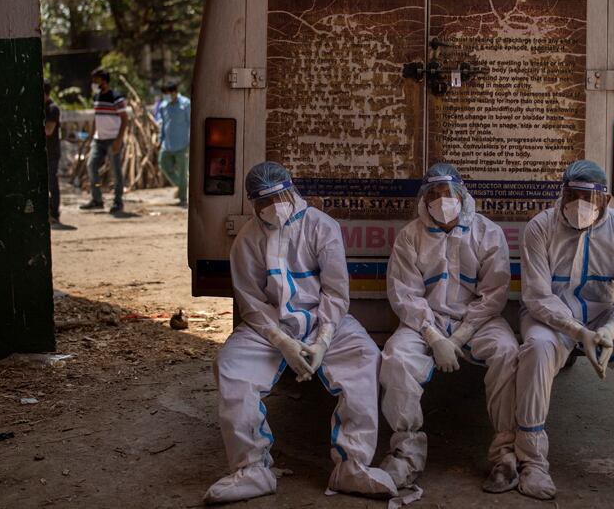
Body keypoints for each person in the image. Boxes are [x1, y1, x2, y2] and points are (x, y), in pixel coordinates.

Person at [206, 162, 397, 504]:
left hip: (323, 322)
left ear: (292, 191)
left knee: (364, 357)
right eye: (266, 201)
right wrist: (282, 342)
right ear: (254, 204)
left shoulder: (322, 227)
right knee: (232, 366)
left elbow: (336, 293)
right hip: (268, 330)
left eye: (280, 196)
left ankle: (352, 466)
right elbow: (250, 303)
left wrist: (323, 340)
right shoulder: (247, 240)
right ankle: (252, 469)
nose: (275, 205)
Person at [515, 161, 614, 500]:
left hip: (607, 317)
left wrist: (611, 328)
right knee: (537, 348)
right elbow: (537, 296)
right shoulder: (539, 228)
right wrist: (578, 332)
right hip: (553, 319)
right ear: (562, 194)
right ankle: (531, 462)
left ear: (608, 200)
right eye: (573, 195)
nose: (580, 205)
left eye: (590, 197)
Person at [380, 163, 518, 493]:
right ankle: (406, 454)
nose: (442, 200)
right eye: (434, 194)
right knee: (396, 358)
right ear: (424, 199)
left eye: (448, 193)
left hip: (478, 321)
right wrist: (432, 335)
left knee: (508, 352)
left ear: (462, 194)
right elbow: (405, 294)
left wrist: (458, 337)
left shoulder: (487, 232)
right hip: (424, 323)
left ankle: (506, 455)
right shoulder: (410, 236)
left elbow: (494, 293)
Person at [80, 68, 129, 214]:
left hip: (113, 139)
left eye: (96, 80)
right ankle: (97, 199)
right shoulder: (97, 97)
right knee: (91, 166)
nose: (93, 83)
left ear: (104, 81)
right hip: (98, 139)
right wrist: (92, 135)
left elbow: (125, 119)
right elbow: (97, 117)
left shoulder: (116, 98)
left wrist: (118, 140)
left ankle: (118, 202)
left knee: (116, 172)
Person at [156, 80, 191, 206]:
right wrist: (160, 140)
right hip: (167, 144)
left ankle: (183, 198)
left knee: (182, 171)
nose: (166, 96)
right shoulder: (163, 105)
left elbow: (191, 123)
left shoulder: (186, 104)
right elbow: (163, 124)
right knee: (163, 164)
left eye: (168, 93)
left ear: (175, 92)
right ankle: (181, 185)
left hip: (183, 144)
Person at [43, 80, 62, 225]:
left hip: (52, 152)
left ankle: (54, 213)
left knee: (52, 183)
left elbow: (48, 130)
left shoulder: (52, 109)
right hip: (46, 152)